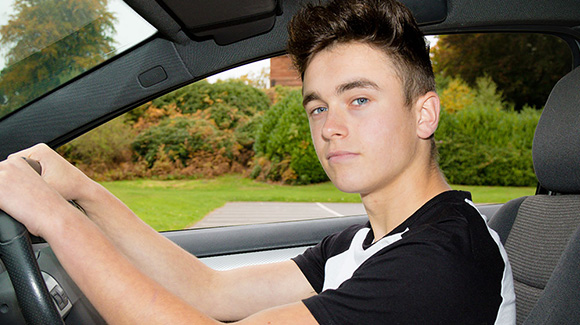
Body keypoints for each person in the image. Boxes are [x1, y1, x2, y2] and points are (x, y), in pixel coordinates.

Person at [0, 0, 515, 323]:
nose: (329, 125)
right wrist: (84, 191)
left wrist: (56, 220)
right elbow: (211, 292)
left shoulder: (443, 258)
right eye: (318, 105)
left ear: (424, 114)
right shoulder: (363, 242)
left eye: (358, 99)